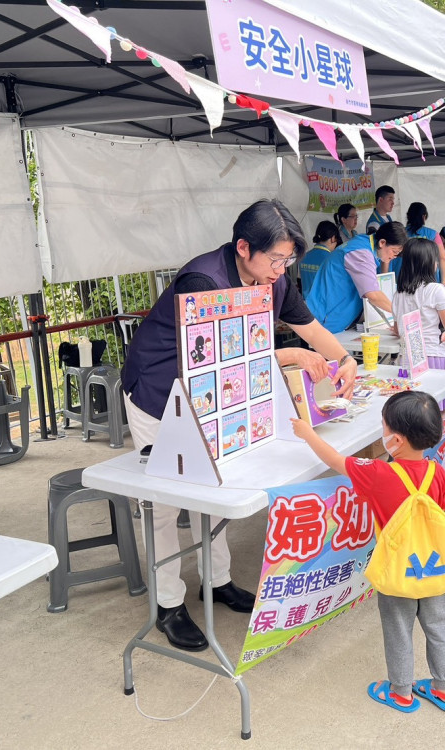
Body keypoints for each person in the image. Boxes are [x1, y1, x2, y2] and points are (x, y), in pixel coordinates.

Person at [121, 199, 359, 651]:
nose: (280, 270)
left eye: (287, 261)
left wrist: (343, 358)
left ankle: (218, 581)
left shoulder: (274, 277)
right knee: (167, 503)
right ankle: (168, 604)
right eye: (275, 260)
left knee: (215, 489)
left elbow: (306, 324)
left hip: (216, 397)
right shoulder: (203, 280)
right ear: (243, 247)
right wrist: (289, 356)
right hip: (161, 392)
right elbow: (220, 362)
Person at [290, 392, 445, 714]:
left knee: (399, 629)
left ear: (395, 439)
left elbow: (335, 461)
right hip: (435, 568)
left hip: (398, 569)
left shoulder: (378, 473)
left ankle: (401, 693)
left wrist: (308, 433)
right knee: (440, 627)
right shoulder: (437, 472)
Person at [306, 222, 408, 333]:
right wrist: (400, 314)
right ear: (382, 242)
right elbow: (373, 295)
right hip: (326, 317)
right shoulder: (361, 253)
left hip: (333, 316)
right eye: (395, 252)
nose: (395, 256)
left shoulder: (363, 242)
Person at [391, 237, 445, 371]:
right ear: (429, 263)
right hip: (433, 355)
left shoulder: (398, 294)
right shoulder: (436, 290)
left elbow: (397, 330)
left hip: (407, 359)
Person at [397, 202, 445, 282]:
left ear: (408, 216)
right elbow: (443, 258)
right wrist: (443, 283)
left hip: (404, 280)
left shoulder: (400, 233)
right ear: (424, 217)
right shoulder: (433, 234)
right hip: (428, 280)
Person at [299, 221, 340, 298]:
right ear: (333, 238)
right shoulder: (331, 259)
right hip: (324, 306)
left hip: (305, 304)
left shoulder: (303, 257)